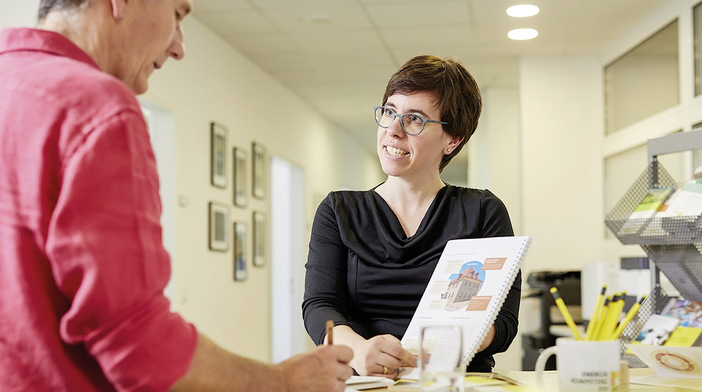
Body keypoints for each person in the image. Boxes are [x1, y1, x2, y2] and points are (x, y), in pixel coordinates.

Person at [0, 1, 353, 391]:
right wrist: (282, 381)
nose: (179, 47)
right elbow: (138, 345)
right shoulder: (99, 106)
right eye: (178, 16)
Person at [302, 55, 521, 378]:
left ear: (453, 139)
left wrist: (465, 337)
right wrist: (359, 351)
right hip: (370, 381)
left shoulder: (482, 212)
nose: (393, 130)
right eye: (390, 112)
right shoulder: (339, 211)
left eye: (415, 119)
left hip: (456, 382)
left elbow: (504, 321)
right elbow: (319, 305)